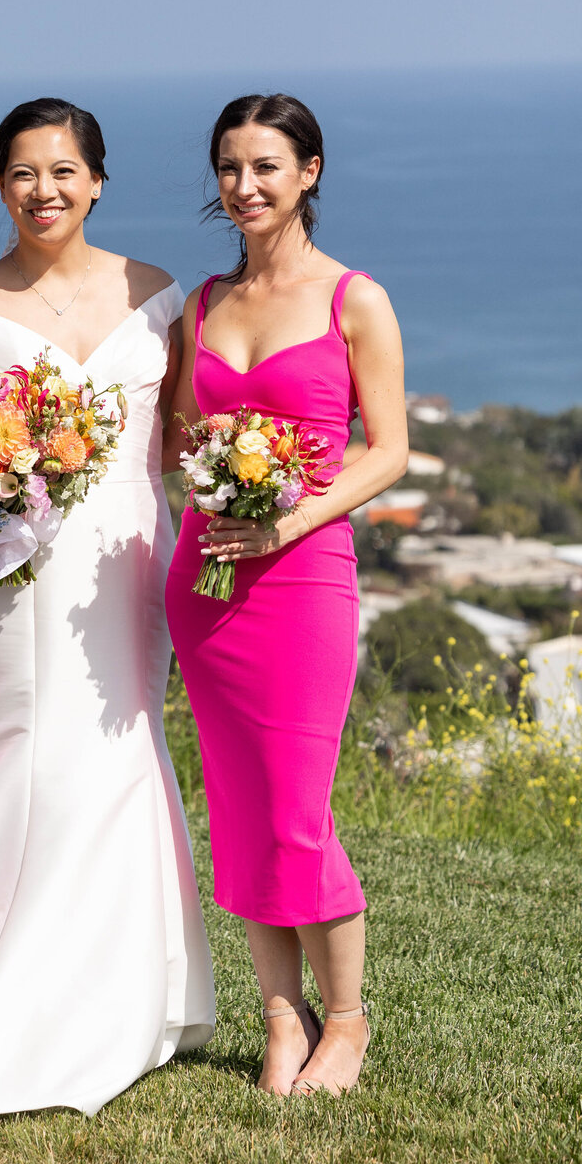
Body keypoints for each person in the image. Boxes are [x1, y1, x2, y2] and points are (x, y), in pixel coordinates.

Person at [0, 97, 216, 1118]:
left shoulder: (159, 296)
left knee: (117, 746)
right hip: (11, 576)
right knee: (27, 755)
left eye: (63, 171)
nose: (44, 191)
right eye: (22, 173)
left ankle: (129, 993)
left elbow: (181, 437)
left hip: (126, 566)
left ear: (97, 180)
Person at [164, 94, 407, 1097]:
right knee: (237, 806)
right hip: (205, 576)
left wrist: (286, 520)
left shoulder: (356, 298)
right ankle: (280, 1014)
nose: (245, 186)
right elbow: (184, 437)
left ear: (309, 172)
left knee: (297, 810)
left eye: (266, 166)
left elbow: (388, 452)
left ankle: (344, 1022)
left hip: (304, 576)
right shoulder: (202, 303)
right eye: (229, 168)